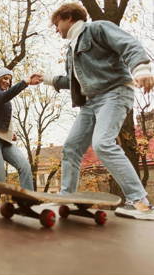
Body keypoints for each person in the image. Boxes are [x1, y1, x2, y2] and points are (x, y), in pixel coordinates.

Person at [41, 3, 154, 220]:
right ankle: (67, 197)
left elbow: (128, 44)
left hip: (114, 93)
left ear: (68, 18)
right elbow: (73, 82)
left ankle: (140, 202)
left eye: (57, 24)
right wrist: (46, 79)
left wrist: (141, 68)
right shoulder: (70, 51)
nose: (56, 30)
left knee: (103, 143)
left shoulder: (97, 29)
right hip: (90, 103)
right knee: (72, 147)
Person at [0, 67, 42, 202]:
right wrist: (25, 82)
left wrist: (10, 133)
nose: (8, 82)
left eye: (9, 79)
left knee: (25, 166)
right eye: (5, 78)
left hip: (4, 141)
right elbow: (1, 98)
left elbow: (1, 117)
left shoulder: (5, 98)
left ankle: (28, 201)